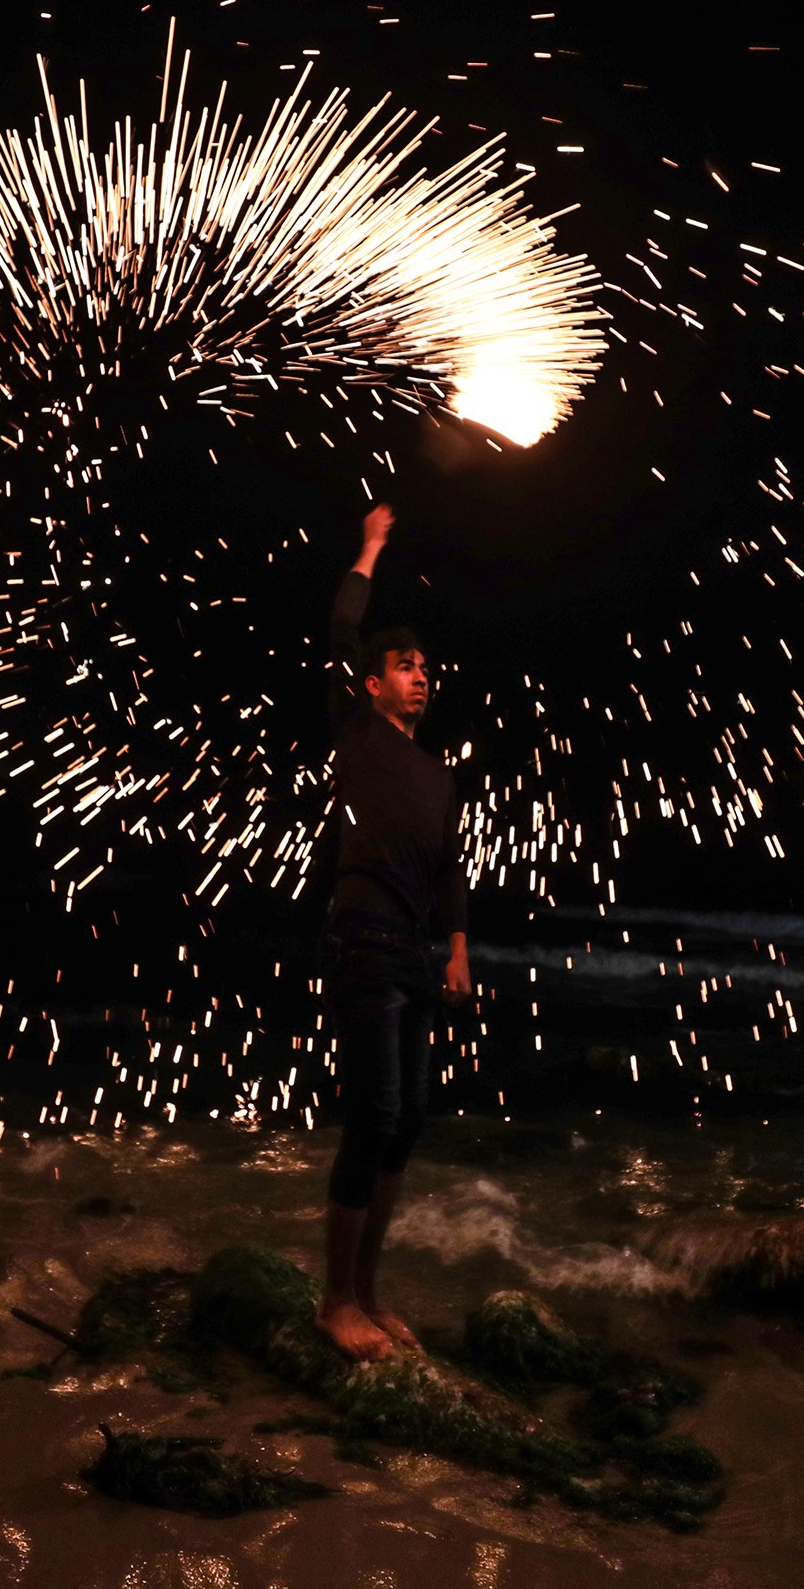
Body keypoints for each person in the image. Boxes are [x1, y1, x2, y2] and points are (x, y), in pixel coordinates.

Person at [313, 501, 471, 1362]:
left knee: (406, 1120)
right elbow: (341, 627)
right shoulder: (358, 734)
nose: (419, 676)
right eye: (404, 666)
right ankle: (334, 1299)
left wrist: (455, 949)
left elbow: (450, 867)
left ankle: (368, 1292)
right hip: (365, 936)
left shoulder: (437, 773)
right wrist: (369, 546)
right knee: (371, 1115)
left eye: (424, 668)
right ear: (372, 683)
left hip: (415, 950)